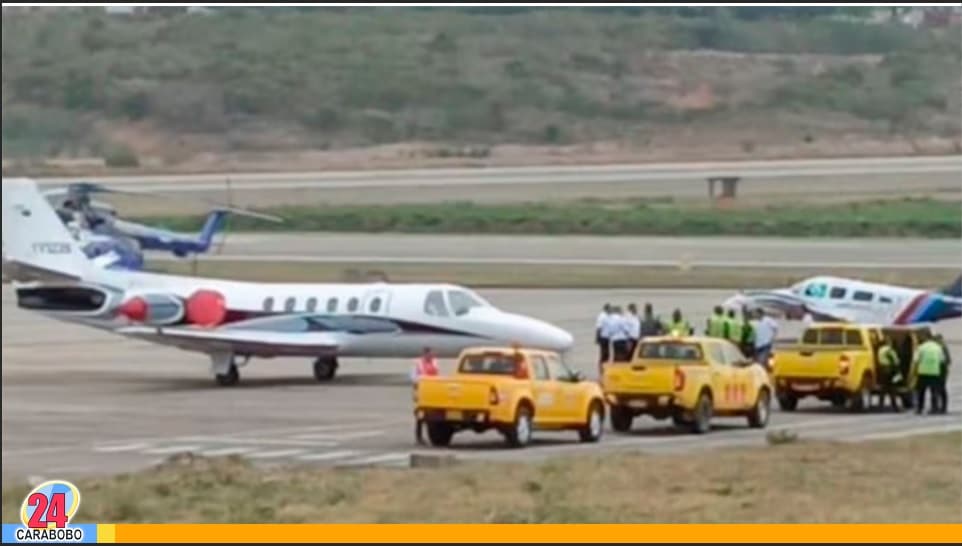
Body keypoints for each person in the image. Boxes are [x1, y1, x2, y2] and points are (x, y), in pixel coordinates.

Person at [913, 332, 946, 415]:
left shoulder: (921, 347)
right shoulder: (938, 347)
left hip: (923, 372)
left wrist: (915, 372)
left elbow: (916, 360)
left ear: (925, 338)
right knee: (934, 391)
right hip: (934, 372)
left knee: (921, 392)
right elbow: (942, 361)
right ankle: (934, 408)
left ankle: (919, 408)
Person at [412, 347, 439, 444]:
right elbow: (414, 378)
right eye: (429, 354)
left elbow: (437, 375)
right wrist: (416, 393)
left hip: (432, 392)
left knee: (432, 415)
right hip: (422, 391)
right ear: (424, 354)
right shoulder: (418, 363)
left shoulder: (435, 362)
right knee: (420, 415)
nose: (431, 356)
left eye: (431, 354)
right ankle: (419, 437)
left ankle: (432, 435)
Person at [875, 336, 903, 412]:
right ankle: (895, 407)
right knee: (892, 389)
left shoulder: (880, 350)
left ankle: (880, 406)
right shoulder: (889, 350)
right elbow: (895, 360)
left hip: (882, 370)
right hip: (889, 370)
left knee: (883, 389)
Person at [934, 334, 951, 414]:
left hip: (941, 371)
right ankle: (940, 407)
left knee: (940, 389)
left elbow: (948, 360)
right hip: (939, 371)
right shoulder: (941, 347)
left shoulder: (941, 348)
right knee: (939, 389)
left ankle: (942, 407)